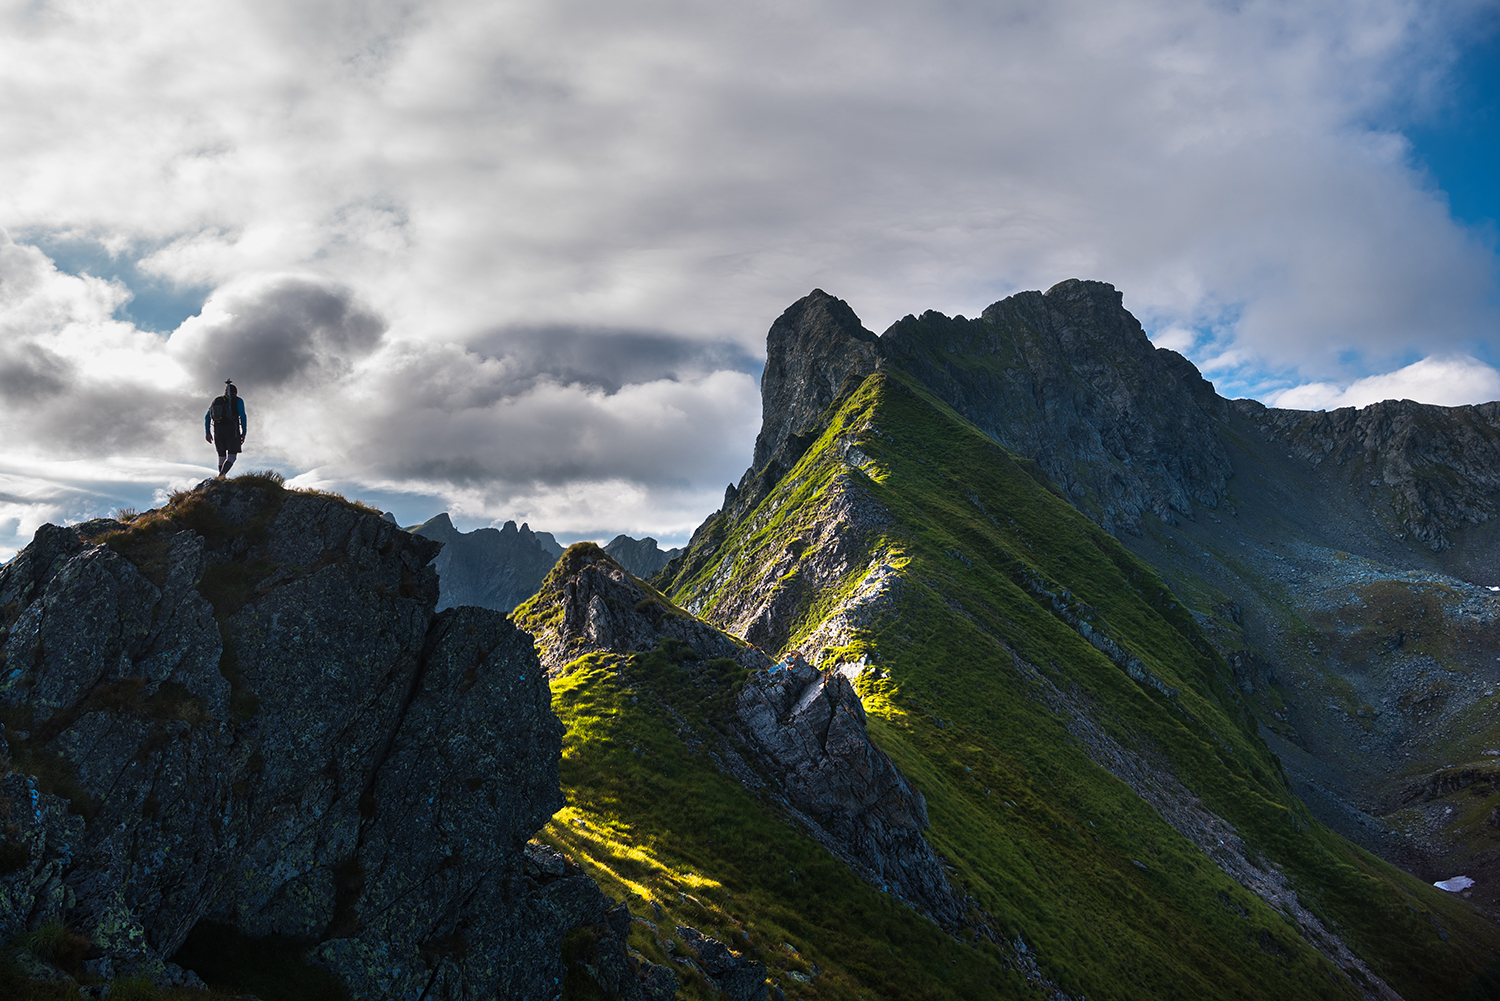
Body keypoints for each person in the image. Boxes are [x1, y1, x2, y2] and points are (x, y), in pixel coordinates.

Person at [205, 380, 248, 477]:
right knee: (232, 455)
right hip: (232, 429)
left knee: (221, 455)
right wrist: (244, 433)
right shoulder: (238, 400)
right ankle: (222, 475)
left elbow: (207, 416)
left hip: (217, 429)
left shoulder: (217, 401)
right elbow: (243, 416)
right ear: (235, 392)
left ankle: (221, 477)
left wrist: (207, 432)